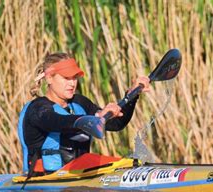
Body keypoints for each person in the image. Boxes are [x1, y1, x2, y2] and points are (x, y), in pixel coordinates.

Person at [18, 52, 150, 175]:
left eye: (74, 78)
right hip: (43, 182)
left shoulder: (80, 103)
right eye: (66, 78)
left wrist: (132, 96)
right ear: (49, 78)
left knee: (130, 164)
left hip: (80, 173)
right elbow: (57, 122)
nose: (72, 83)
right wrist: (96, 117)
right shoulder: (38, 109)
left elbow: (116, 124)